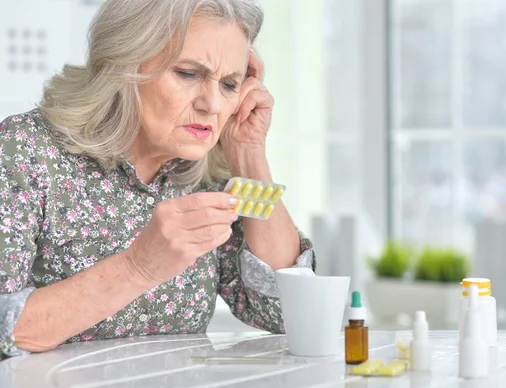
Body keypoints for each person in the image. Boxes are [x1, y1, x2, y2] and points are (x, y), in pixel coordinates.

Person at [0, 0, 315, 358]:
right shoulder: (26, 149)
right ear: (124, 64)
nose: (211, 104)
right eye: (187, 74)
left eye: (229, 83)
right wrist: (139, 266)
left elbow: (288, 313)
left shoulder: (203, 173)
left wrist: (249, 153)